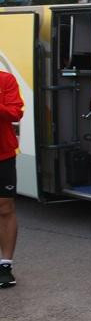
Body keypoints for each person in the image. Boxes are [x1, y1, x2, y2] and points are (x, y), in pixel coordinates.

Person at [0, 69, 24, 288]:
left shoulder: (5, 80)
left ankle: (5, 265)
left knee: (5, 207)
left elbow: (15, 113)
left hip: (3, 154)